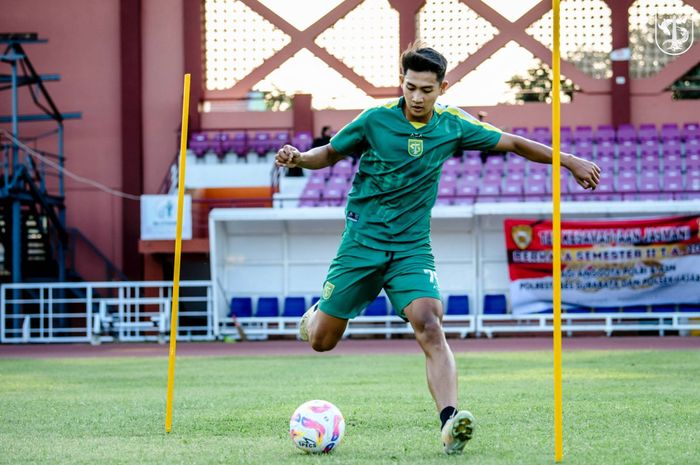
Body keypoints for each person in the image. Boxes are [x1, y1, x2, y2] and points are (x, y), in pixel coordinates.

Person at [275, 41, 600, 455]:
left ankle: (450, 423)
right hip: (361, 243)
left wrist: (569, 160)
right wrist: (299, 158)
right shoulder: (375, 120)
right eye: (410, 87)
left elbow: (514, 143)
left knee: (429, 323)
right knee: (322, 341)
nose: (416, 96)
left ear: (442, 87)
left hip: (411, 246)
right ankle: (317, 315)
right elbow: (330, 153)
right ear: (402, 82)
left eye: (426, 89)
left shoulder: (452, 126)